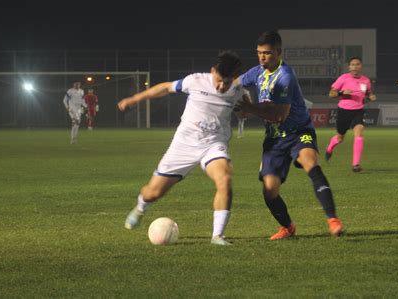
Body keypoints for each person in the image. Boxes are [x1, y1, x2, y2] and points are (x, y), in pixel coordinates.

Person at [118, 51, 245, 246]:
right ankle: (140, 208)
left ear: (233, 79)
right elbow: (165, 88)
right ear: (212, 72)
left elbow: (247, 111)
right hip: (183, 145)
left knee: (225, 178)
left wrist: (248, 111)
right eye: (218, 80)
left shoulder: (238, 91)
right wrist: (134, 99)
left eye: (226, 83)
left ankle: (217, 236)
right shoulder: (195, 80)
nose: (221, 86)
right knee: (153, 192)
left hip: (213, 145)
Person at [236, 31, 344, 240]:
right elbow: (234, 84)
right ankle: (288, 227)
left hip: (298, 131)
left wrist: (250, 108)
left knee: (310, 163)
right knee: (269, 190)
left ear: (278, 52)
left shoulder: (285, 76)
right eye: (259, 53)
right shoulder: (257, 72)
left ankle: (333, 221)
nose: (262, 57)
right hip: (274, 139)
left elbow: (279, 115)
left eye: (267, 53)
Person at [325, 57, 377, 172]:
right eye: (352, 64)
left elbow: (368, 93)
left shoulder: (366, 80)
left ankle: (356, 165)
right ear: (349, 67)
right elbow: (331, 94)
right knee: (340, 138)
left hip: (358, 111)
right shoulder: (343, 78)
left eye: (357, 64)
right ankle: (329, 147)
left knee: (359, 133)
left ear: (361, 66)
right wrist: (341, 92)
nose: (355, 66)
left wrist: (371, 97)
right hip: (344, 111)